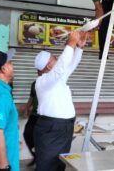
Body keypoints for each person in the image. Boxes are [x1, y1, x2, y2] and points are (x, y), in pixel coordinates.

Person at [33, 31, 87, 171]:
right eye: (54, 58)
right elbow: (61, 67)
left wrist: (79, 48)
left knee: (60, 165)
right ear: (49, 66)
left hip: (64, 128)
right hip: (51, 129)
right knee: (47, 166)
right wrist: (70, 44)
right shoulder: (42, 81)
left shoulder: (57, 78)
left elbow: (71, 65)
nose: (57, 58)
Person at [23, 80, 38, 166]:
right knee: (27, 134)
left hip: (44, 116)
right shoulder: (35, 83)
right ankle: (36, 156)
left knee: (40, 139)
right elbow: (31, 97)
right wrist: (26, 109)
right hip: (34, 115)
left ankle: (39, 161)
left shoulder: (52, 82)